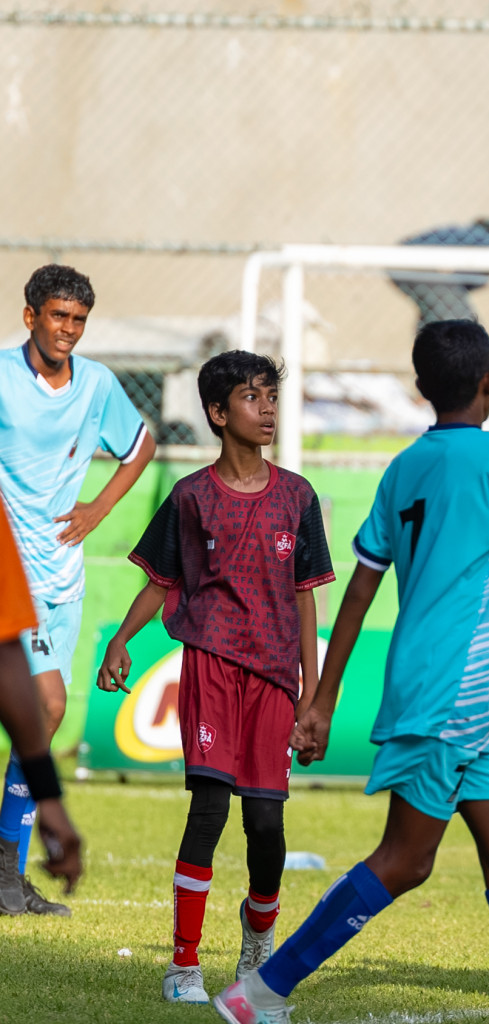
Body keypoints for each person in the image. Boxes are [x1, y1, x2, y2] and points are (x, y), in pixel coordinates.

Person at [212, 320, 489, 1024]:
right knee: (405, 860)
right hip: (449, 695)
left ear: (419, 389)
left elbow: (358, 589)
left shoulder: (404, 465)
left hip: (443, 693)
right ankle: (258, 992)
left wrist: (322, 698)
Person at [97, 350, 335, 1004]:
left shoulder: (298, 496)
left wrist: (313, 694)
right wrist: (121, 639)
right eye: (252, 399)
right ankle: (183, 966)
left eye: (272, 398)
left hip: (275, 681)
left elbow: (307, 596)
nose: (267, 410)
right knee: (208, 809)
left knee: (265, 824)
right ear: (217, 413)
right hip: (210, 669)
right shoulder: (191, 497)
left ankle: (258, 939)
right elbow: (162, 581)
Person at [0, 263, 155, 916]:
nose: (68, 330)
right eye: (58, 316)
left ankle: (8, 869)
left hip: (63, 575)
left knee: (50, 713)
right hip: (13, 573)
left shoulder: (96, 384)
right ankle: (7, 872)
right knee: (45, 702)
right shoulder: (4, 375)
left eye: (78, 320)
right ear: (31, 315)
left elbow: (142, 444)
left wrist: (97, 508)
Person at [0, 504, 83, 896]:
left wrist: (48, 797)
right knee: (52, 703)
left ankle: (9, 876)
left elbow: (8, 659)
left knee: (50, 705)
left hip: (62, 589)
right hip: (36, 587)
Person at [390, 218, 489, 364]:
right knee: (465, 327)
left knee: (435, 319)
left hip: (396, 262)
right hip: (417, 265)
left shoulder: (462, 237)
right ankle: (487, 369)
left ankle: (427, 371)